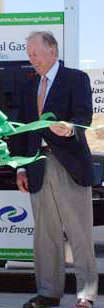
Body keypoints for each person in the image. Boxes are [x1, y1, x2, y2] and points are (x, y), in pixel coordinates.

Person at [16, 31, 98, 308]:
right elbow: (23, 132)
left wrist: (69, 128)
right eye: (29, 54)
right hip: (37, 168)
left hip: (70, 166)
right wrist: (21, 169)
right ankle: (48, 293)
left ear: (52, 51)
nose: (32, 58)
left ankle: (86, 293)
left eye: (35, 53)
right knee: (45, 236)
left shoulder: (76, 78)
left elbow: (83, 116)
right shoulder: (29, 86)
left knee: (80, 235)